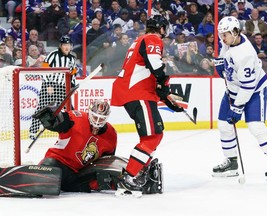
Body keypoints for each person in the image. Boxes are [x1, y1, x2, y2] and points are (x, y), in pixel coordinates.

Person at [111, 15, 184, 197]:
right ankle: (128, 177)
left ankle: (135, 172)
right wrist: (163, 79)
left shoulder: (139, 41)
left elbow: (150, 74)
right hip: (137, 93)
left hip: (136, 93)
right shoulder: (152, 39)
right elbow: (155, 66)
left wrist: (166, 98)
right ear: (160, 28)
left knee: (152, 135)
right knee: (153, 135)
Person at [213, 16, 267, 182]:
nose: (222, 38)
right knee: (224, 125)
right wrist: (221, 61)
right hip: (233, 89)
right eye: (221, 34)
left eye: (225, 34)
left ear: (236, 32)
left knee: (255, 126)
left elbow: (248, 86)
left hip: (253, 91)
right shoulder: (233, 39)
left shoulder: (245, 54)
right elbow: (225, 51)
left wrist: (237, 108)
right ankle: (231, 162)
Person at [33, 99, 162, 194]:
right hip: (58, 162)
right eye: (95, 117)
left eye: (101, 118)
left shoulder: (111, 134)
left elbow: (106, 161)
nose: (97, 121)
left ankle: (141, 180)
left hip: (79, 172)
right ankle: (34, 177)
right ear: (89, 113)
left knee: (102, 179)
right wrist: (52, 119)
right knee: (50, 173)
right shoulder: (76, 118)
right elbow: (61, 122)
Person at [29, 35, 77, 140]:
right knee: (42, 108)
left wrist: (72, 85)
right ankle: (33, 131)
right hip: (50, 85)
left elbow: (72, 73)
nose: (67, 47)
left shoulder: (72, 58)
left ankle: (74, 130)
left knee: (69, 110)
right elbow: (45, 69)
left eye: (68, 45)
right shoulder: (53, 55)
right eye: (65, 45)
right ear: (60, 46)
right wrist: (48, 84)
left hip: (63, 87)